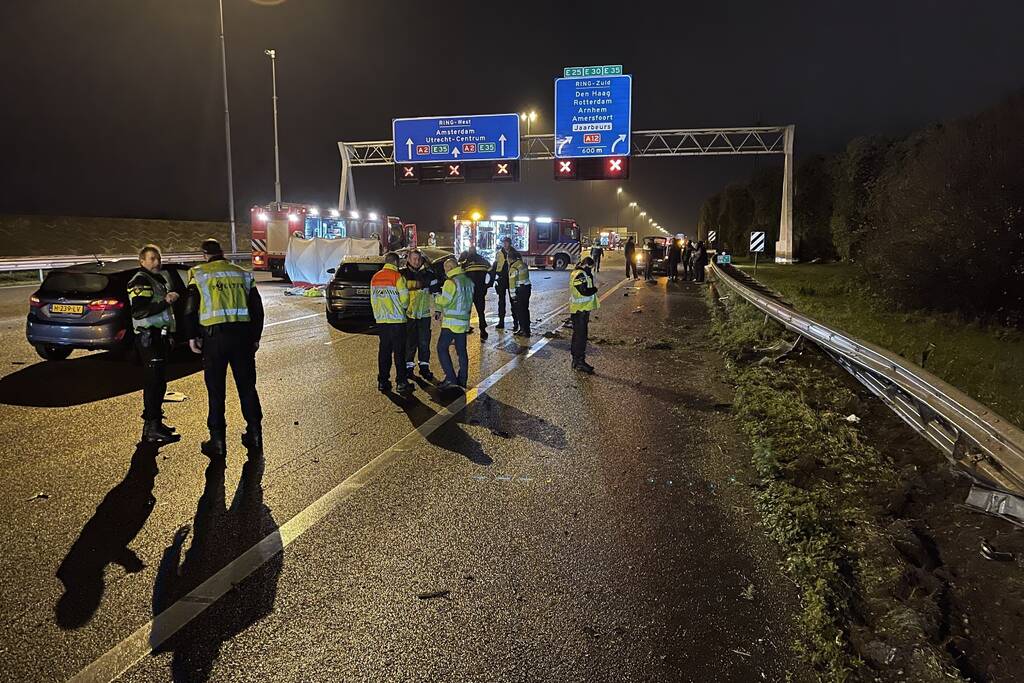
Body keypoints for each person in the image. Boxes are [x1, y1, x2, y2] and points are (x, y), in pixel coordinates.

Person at [185, 239, 264, 458]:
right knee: (247, 387)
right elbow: (257, 309)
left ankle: (217, 442)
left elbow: (190, 309)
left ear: (204, 254)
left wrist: (192, 336)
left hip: (214, 339)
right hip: (242, 339)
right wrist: (255, 337)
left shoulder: (199, 273)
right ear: (222, 252)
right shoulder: (242, 273)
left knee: (216, 391)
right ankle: (255, 434)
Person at [127, 244, 180, 444]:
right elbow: (139, 311)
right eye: (151, 259)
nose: (157, 262)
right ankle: (151, 428)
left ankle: (155, 423)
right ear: (142, 261)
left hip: (158, 337)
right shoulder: (140, 280)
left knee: (159, 384)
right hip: (149, 338)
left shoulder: (156, 279)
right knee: (153, 384)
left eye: (158, 258)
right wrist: (166, 301)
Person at [370, 252, 412, 394]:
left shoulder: (375, 277)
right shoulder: (398, 277)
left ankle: (383, 381)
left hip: (382, 321)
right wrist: (402, 309)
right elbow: (405, 299)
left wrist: (378, 315)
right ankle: (401, 382)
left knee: (384, 351)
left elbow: (373, 299)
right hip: (397, 321)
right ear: (395, 262)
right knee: (399, 353)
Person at [433, 258, 473, 390]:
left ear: (450, 268)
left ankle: (450, 378)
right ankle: (462, 379)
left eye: (445, 269)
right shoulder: (467, 281)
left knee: (441, 348)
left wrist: (436, 296)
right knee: (461, 352)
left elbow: (445, 301)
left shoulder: (451, 282)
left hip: (451, 323)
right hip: (463, 322)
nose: (445, 272)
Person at [400, 249, 436, 381]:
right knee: (410, 343)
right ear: (408, 259)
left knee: (424, 343)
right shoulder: (402, 274)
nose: (416, 261)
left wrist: (437, 309)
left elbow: (436, 291)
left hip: (424, 315)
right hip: (409, 315)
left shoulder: (429, 274)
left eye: (418, 259)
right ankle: (409, 368)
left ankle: (424, 368)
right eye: (413, 259)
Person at [569, 256, 599, 374]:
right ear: (587, 265)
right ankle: (579, 362)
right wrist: (595, 289)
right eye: (590, 267)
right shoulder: (579, 274)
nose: (591, 270)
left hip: (581, 311)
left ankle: (577, 361)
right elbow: (584, 291)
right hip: (579, 311)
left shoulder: (581, 273)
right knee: (580, 338)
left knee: (579, 336)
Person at [459, 244, 493, 340]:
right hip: (481, 290)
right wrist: (489, 284)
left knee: (467, 311)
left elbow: (460, 277)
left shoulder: (466, 263)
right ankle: (483, 331)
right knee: (481, 311)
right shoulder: (484, 261)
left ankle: (465, 328)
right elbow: (492, 272)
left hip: (469, 291)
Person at [491, 237, 517, 331]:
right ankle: (501, 322)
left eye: (507, 243)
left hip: (511, 279)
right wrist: (493, 279)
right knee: (501, 302)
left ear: (510, 243)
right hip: (501, 280)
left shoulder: (515, 253)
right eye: (504, 243)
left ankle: (516, 323)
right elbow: (495, 266)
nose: (505, 244)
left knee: (513, 302)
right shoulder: (499, 253)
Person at [508, 250, 532, 337]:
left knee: (520, 311)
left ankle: (523, 330)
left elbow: (512, 283)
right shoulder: (523, 264)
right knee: (525, 309)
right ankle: (527, 329)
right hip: (527, 288)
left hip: (520, 291)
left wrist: (513, 296)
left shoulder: (513, 268)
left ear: (510, 259)